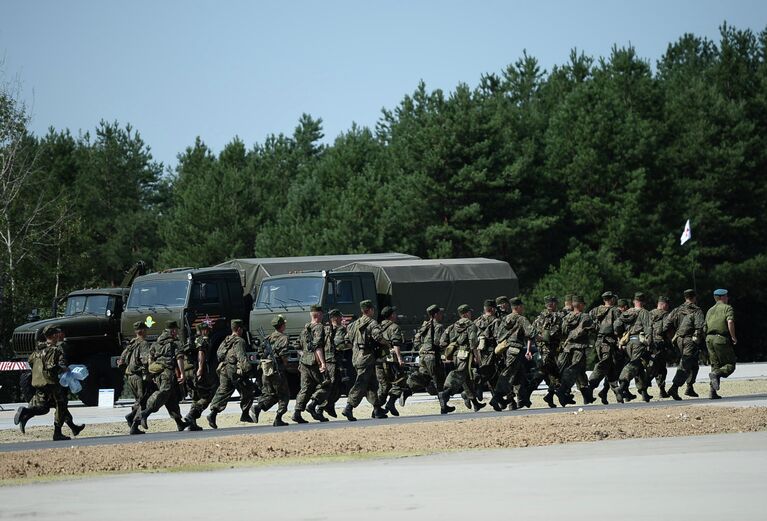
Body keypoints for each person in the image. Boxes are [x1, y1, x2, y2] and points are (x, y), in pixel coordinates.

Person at [14, 325, 84, 440]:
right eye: (58, 333)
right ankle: (57, 433)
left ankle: (73, 428)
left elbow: (30, 362)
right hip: (51, 382)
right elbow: (58, 366)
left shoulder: (38, 350)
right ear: (55, 335)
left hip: (38, 381)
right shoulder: (56, 350)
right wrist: (66, 370)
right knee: (61, 405)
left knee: (44, 407)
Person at [134, 321, 189, 432]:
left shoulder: (157, 342)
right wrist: (182, 373)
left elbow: (150, 357)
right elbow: (179, 358)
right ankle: (145, 413)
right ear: (173, 331)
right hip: (167, 372)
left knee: (171, 397)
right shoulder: (175, 342)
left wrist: (153, 372)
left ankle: (179, 422)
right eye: (176, 330)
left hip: (158, 373)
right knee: (164, 392)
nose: (177, 332)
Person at [343, 300, 391, 421]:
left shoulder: (354, 324)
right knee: (361, 383)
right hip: (367, 357)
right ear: (369, 310)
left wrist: (357, 348)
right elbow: (378, 337)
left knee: (372, 384)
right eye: (372, 309)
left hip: (356, 357)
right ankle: (349, 407)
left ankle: (377, 409)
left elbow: (346, 341)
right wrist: (388, 344)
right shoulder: (372, 323)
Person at [206, 319, 256, 428]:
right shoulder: (239, 341)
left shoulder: (226, 340)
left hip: (224, 369)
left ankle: (212, 414)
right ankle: (245, 413)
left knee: (223, 391)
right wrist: (248, 370)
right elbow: (241, 357)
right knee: (248, 390)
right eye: (241, 329)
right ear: (238, 329)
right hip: (234, 371)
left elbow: (219, 354)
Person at [489, 297, 534, 411]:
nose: (523, 308)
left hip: (507, 350)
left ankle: (521, 399)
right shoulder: (521, 319)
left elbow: (498, 335)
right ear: (518, 307)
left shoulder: (505, 319)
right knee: (508, 374)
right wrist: (543, 338)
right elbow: (531, 333)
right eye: (522, 306)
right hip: (516, 350)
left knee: (519, 374)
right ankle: (497, 397)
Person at [439, 304, 484, 413]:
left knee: (466, 378)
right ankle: (445, 393)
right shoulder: (471, 325)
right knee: (460, 374)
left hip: (455, 355)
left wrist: (452, 347)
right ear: (465, 314)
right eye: (469, 312)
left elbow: (442, 342)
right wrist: (477, 356)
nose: (470, 314)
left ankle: (475, 403)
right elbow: (473, 342)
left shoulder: (453, 326)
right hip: (466, 354)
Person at [251, 315, 291, 426]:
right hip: (277, 370)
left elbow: (260, 352)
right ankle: (278, 418)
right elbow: (283, 355)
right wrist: (286, 364)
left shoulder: (268, 338)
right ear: (282, 325)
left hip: (266, 370)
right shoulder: (284, 338)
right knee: (284, 395)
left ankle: (258, 408)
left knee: (271, 394)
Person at [665, 289, 706, 400]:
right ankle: (674, 388)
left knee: (694, 365)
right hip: (690, 340)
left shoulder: (677, 310)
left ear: (685, 297)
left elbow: (666, 325)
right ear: (694, 297)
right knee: (685, 363)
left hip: (679, 340)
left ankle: (690, 387)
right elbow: (700, 327)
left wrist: (672, 337)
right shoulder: (696, 310)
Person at [555, 295, 595, 407]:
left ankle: (587, 397)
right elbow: (591, 328)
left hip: (567, 347)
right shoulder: (585, 317)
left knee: (580, 371)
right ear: (581, 305)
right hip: (579, 348)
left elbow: (562, 331)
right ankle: (562, 390)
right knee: (573, 370)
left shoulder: (567, 317)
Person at [405, 305, 446, 407]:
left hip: (422, 356)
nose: (442, 315)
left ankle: (406, 392)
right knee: (439, 380)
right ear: (435, 314)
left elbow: (416, 339)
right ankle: (444, 406)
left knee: (424, 378)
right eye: (440, 313)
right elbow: (437, 342)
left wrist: (422, 349)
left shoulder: (425, 326)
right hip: (432, 357)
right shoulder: (438, 326)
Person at [294, 305, 329, 423]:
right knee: (326, 385)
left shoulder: (305, 329)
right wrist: (323, 363)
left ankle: (297, 412)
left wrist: (303, 354)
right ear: (318, 315)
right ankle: (313, 405)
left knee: (305, 388)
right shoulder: (319, 327)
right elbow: (318, 347)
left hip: (303, 363)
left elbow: (297, 346)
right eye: (321, 314)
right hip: (314, 362)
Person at [587, 292, 624, 404]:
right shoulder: (615, 311)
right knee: (605, 363)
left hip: (599, 341)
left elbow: (589, 322)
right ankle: (591, 385)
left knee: (611, 366)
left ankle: (611, 391)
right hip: (609, 342)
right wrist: (620, 339)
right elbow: (618, 327)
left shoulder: (595, 310)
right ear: (612, 299)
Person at [617, 293, 654, 402]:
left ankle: (644, 392)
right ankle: (621, 387)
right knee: (635, 364)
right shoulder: (645, 313)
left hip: (628, 342)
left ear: (634, 301)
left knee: (639, 366)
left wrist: (620, 338)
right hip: (639, 341)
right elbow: (648, 329)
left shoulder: (627, 312)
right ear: (643, 302)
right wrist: (650, 343)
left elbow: (617, 325)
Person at [181, 321, 217, 431]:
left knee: (195, 397)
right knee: (207, 396)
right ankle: (192, 415)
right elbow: (201, 353)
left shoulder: (189, 341)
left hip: (188, 372)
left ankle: (192, 424)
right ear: (203, 330)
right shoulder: (202, 340)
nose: (208, 331)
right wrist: (201, 369)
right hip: (196, 372)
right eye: (206, 329)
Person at [117, 321, 151, 434]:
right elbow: (146, 360)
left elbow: (121, 359)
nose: (147, 332)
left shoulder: (131, 343)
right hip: (138, 376)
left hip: (129, 375)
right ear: (142, 331)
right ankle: (134, 424)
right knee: (143, 401)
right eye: (145, 329)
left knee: (139, 400)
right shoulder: (143, 343)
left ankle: (131, 417)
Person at [531, 296, 564, 407]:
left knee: (554, 375)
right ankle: (527, 392)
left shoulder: (538, 318)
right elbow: (553, 333)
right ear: (553, 304)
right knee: (546, 372)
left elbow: (532, 333)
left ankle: (551, 396)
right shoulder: (556, 317)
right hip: (551, 349)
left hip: (542, 348)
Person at [705, 288, 737, 399]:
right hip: (720, 338)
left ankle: (712, 392)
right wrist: (733, 337)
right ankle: (717, 374)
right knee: (730, 365)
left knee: (715, 365)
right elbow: (730, 321)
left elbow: (705, 326)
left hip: (709, 339)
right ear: (722, 297)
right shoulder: (727, 308)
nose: (728, 298)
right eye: (726, 296)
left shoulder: (710, 310)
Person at [319, 309, 350, 418]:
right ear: (335, 318)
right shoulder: (340, 329)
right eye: (340, 317)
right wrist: (350, 345)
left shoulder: (325, 329)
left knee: (334, 386)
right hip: (334, 361)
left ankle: (328, 406)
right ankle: (320, 407)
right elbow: (339, 344)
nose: (342, 319)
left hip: (326, 359)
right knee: (333, 386)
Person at [377, 306, 407, 416]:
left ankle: (377, 409)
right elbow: (396, 344)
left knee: (383, 385)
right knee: (400, 381)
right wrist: (399, 358)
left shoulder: (378, 327)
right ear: (391, 315)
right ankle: (390, 403)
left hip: (379, 360)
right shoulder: (394, 327)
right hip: (391, 360)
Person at [475, 299, 501, 401]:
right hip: (491, 349)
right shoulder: (496, 321)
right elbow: (498, 336)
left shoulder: (477, 321)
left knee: (491, 374)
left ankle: (496, 399)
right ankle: (477, 386)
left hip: (480, 350)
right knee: (490, 371)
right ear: (493, 309)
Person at [648, 296, 672, 397]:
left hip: (649, 343)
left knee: (654, 366)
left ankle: (661, 390)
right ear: (663, 304)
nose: (668, 307)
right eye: (667, 305)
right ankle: (644, 386)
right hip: (660, 344)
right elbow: (667, 329)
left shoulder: (649, 314)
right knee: (660, 368)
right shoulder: (666, 315)